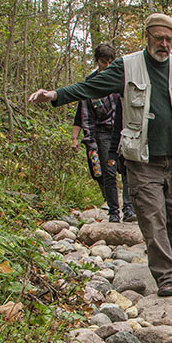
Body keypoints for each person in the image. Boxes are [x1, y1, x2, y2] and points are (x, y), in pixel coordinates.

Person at [29, 13, 172, 297]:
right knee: (152, 216)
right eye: (158, 37)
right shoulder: (128, 66)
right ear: (147, 36)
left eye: (169, 39)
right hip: (141, 158)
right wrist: (55, 95)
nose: (163, 44)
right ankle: (167, 276)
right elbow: (90, 87)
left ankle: (162, 256)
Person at [72, 43, 135, 223]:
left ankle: (129, 209)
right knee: (108, 170)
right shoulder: (90, 83)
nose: (106, 67)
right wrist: (83, 139)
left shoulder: (121, 78)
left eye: (110, 62)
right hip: (102, 131)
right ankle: (113, 211)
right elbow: (83, 115)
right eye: (103, 63)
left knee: (127, 168)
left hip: (124, 129)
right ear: (97, 61)